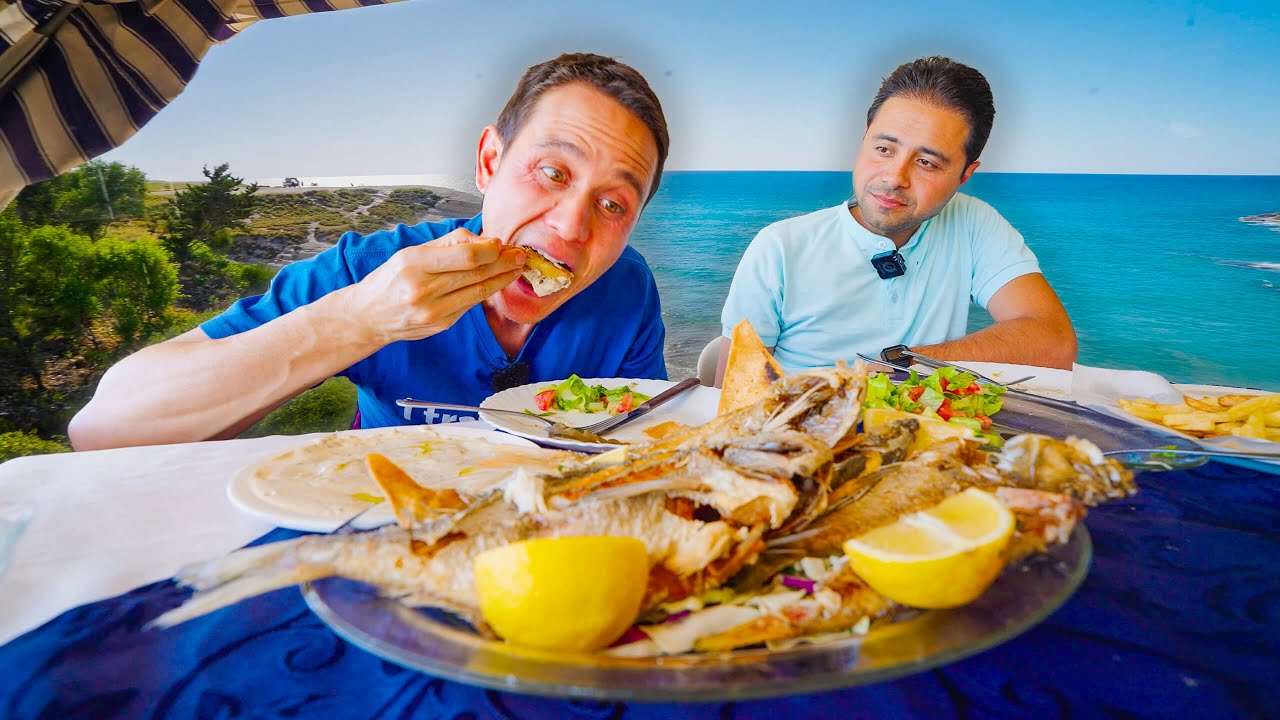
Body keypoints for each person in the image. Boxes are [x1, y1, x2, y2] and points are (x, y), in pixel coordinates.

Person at [70, 53, 670, 450]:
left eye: (613, 205)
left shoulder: (627, 292)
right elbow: (105, 428)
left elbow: (644, 436)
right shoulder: (369, 269)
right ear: (490, 161)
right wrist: (360, 319)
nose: (571, 227)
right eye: (552, 172)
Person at [716, 56, 1076, 384]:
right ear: (863, 141)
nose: (894, 177)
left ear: (965, 175)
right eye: (884, 148)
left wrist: (905, 362)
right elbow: (733, 393)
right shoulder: (779, 246)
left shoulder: (973, 223)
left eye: (927, 163)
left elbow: (1054, 340)